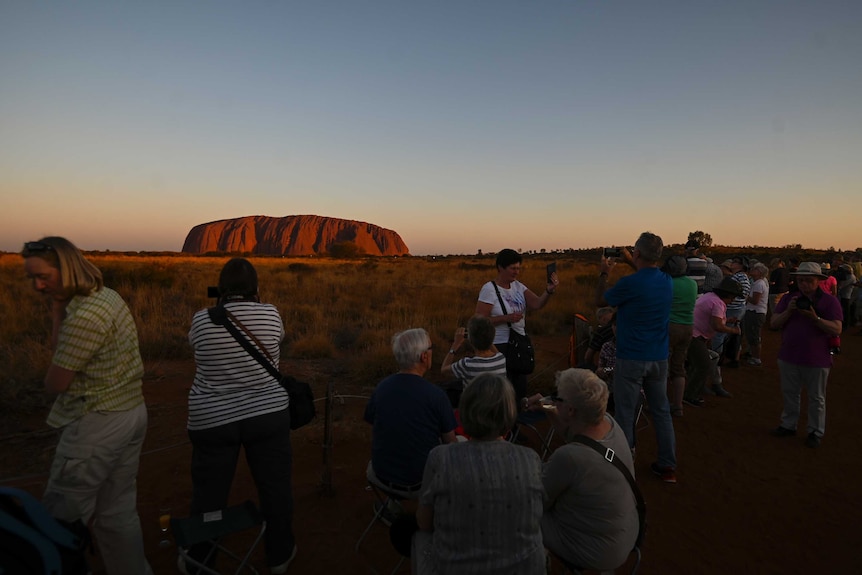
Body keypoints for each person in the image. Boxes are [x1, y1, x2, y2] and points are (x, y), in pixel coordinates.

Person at [21, 237, 152, 575]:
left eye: (44, 276)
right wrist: (56, 306)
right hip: (130, 411)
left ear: (65, 269)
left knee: (61, 518)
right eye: (31, 277)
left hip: (96, 424)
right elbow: (60, 346)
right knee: (117, 513)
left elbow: (55, 383)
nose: (37, 285)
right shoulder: (105, 296)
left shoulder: (85, 317)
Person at [186, 258, 296, 573]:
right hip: (268, 414)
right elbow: (278, 341)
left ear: (220, 290)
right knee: (275, 488)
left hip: (213, 420)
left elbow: (194, 347)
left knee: (208, 494)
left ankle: (202, 560)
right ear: (256, 289)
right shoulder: (271, 313)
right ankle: (280, 555)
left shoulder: (202, 319)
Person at [412, 373, 545, 575]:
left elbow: (424, 522)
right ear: (508, 417)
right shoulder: (531, 459)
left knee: (419, 536)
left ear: (465, 412)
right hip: (524, 569)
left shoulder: (441, 458)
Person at [531, 369, 639, 571]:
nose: (553, 401)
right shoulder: (609, 422)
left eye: (557, 398)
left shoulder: (570, 457)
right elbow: (577, 435)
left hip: (595, 551)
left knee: (521, 509)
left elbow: (538, 500)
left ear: (571, 410)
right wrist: (547, 406)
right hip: (625, 534)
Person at [595, 232, 677, 483]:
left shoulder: (630, 284)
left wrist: (604, 272)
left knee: (626, 412)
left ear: (638, 253)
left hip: (631, 357)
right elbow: (647, 273)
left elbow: (601, 301)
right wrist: (633, 259)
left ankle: (623, 463)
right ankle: (668, 465)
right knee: (661, 411)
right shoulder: (666, 281)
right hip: (659, 358)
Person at [364, 328, 458, 497]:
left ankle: (391, 505)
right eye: (431, 348)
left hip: (381, 475)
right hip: (419, 482)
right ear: (424, 356)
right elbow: (451, 444)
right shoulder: (436, 396)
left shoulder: (381, 387)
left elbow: (374, 424)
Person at [770, 262, 843, 448]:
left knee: (816, 397)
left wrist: (814, 317)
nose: (804, 284)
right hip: (789, 355)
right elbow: (774, 323)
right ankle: (788, 425)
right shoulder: (789, 299)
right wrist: (789, 311)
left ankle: (815, 431)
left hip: (817, 358)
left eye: (809, 280)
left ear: (818, 281)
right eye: (800, 280)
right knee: (790, 393)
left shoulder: (829, 301)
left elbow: (837, 328)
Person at [476, 249, 559, 402]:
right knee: (502, 392)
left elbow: (536, 304)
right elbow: (479, 320)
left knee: (518, 390)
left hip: (519, 344)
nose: (517, 272)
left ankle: (515, 422)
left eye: (518, 268)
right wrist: (505, 318)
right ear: (501, 267)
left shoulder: (518, 286)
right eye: (513, 268)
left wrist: (548, 291)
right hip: (498, 347)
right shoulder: (489, 289)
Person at [684, 277, 744, 407]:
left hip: (691, 333)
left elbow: (711, 319)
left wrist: (727, 321)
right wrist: (733, 331)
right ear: (727, 294)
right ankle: (690, 395)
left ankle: (697, 387)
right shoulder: (718, 303)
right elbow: (717, 326)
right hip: (695, 336)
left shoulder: (710, 297)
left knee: (704, 361)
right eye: (733, 297)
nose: (733, 300)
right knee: (703, 364)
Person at [663, 255, 697, 418]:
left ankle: (660, 404)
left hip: (670, 327)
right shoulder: (692, 283)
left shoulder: (668, 283)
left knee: (662, 366)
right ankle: (678, 406)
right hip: (688, 327)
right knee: (678, 367)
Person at [440, 315, 507, 385]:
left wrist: (455, 344)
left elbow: (444, 370)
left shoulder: (467, 364)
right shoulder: (501, 359)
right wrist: (486, 336)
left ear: (471, 340)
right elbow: (494, 350)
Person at [715, 256, 751, 368]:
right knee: (732, 333)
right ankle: (733, 358)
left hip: (733, 309)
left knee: (720, 333)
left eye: (735, 262)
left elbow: (743, 294)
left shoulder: (740, 277)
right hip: (735, 308)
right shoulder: (739, 276)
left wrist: (730, 301)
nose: (732, 263)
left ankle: (717, 357)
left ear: (741, 265)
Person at [743, 262, 769, 366]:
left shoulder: (759, 284)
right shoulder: (759, 282)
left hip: (755, 312)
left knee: (754, 336)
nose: (752, 270)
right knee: (753, 335)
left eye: (754, 269)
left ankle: (756, 358)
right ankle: (753, 355)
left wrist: (744, 295)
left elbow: (755, 301)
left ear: (759, 272)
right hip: (756, 312)